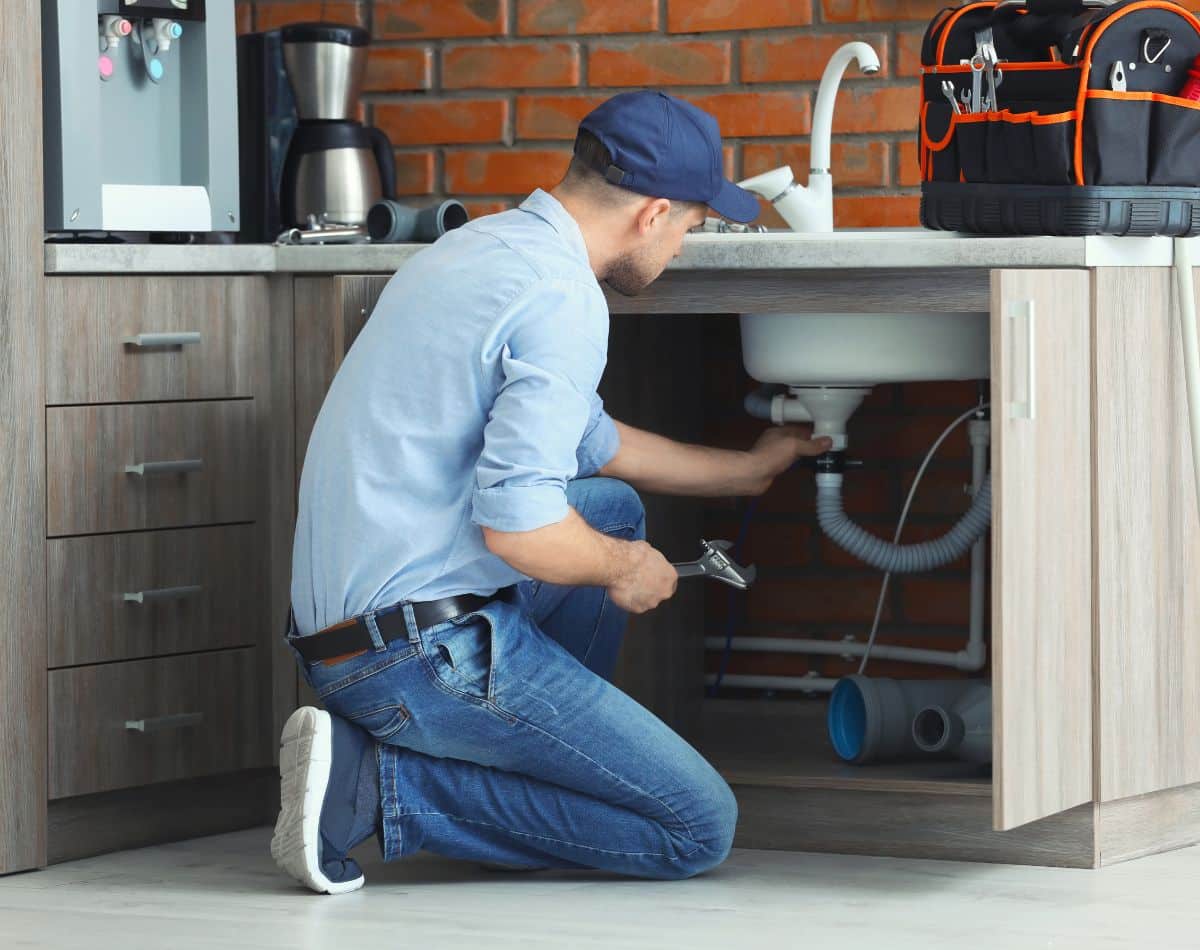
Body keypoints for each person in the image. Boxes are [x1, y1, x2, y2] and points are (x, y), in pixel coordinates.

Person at [271, 90, 832, 895]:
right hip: (413, 658)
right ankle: (375, 787)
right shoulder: (565, 299)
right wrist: (622, 569)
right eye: (691, 227)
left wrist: (744, 470)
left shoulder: (485, 249)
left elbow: (591, 442)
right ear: (654, 214)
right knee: (696, 826)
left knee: (609, 507)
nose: (683, 245)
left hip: (344, 634)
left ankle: (528, 758)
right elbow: (522, 532)